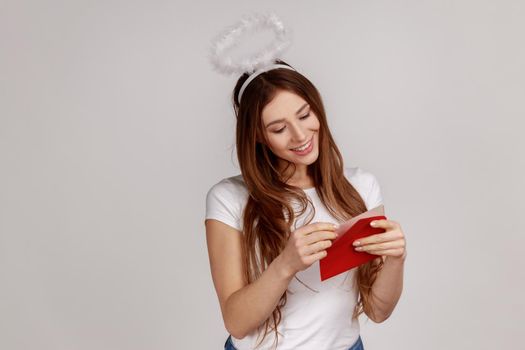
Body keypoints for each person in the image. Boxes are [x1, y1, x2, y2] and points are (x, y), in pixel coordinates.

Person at [205, 59, 407, 350]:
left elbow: (378, 311)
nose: (300, 136)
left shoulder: (361, 188)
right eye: (278, 128)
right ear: (259, 136)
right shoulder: (230, 197)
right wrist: (286, 264)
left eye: (304, 115)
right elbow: (236, 322)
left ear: (317, 108)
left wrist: (396, 261)